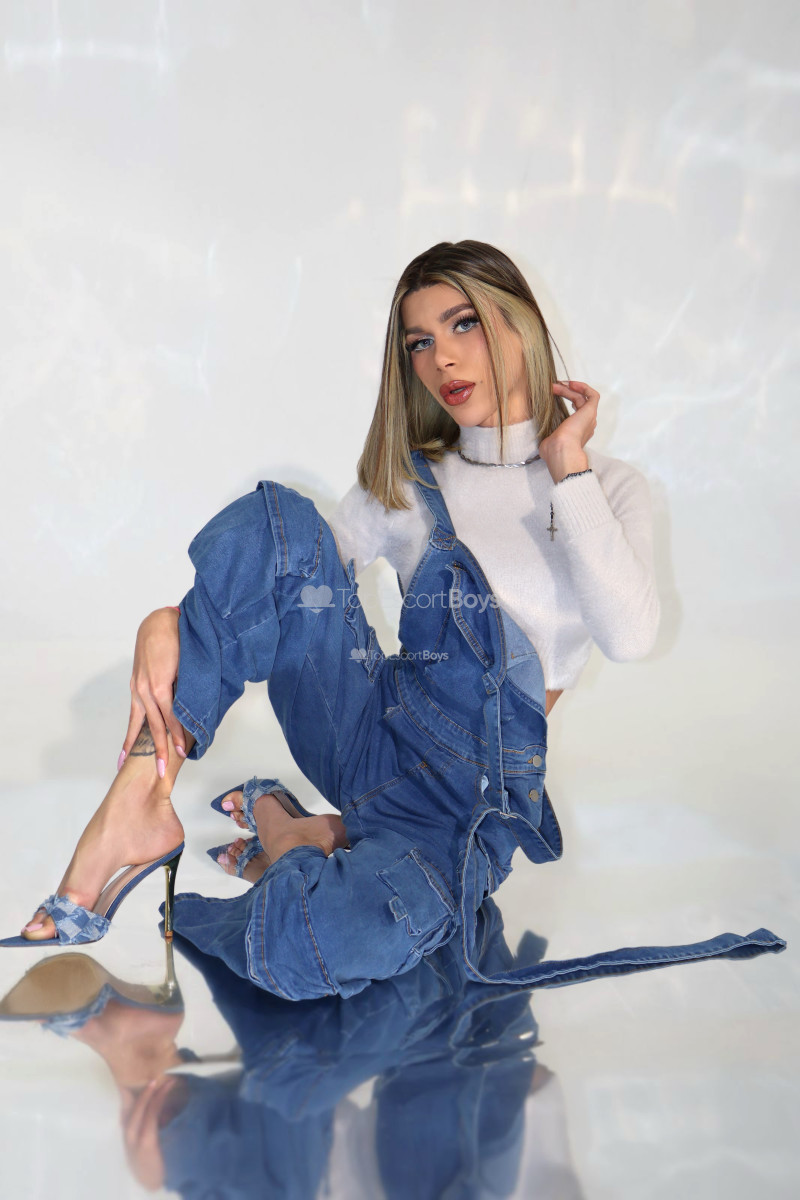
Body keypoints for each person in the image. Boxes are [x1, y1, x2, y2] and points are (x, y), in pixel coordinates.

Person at [4, 240, 785, 996]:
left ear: (521, 324)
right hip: (366, 729)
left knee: (307, 947)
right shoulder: (413, 481)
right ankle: (138, 800)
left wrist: (568, 467)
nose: (441, 358)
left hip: (458, 812)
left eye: (463, 324)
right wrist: (167, 618)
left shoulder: (604, 487)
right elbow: (289, 568)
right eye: (419, 342)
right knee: (278, 517)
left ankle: (300, 835)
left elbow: (631, 636)